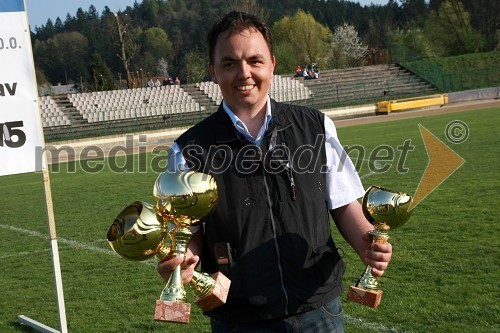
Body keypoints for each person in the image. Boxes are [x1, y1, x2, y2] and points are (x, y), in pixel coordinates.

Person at [157, 11, 392, 333]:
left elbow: (343, 203)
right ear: (213, 71)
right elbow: (190, 234)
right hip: (240, 318)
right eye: (229, 63)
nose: (244, 73)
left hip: (317, 308)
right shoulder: (188, 150)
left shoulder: (316, 127)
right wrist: (180, 261)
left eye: (255, 60)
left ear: (272, 64)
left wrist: (367, 242)